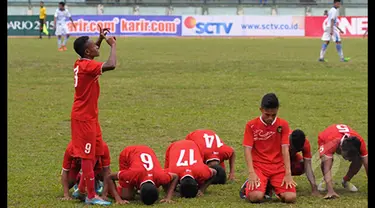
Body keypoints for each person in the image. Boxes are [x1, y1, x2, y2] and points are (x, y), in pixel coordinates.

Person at [69, 26, 116, 205]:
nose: (98, 48)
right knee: (88, 157)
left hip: (90, 116)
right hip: (84, 118)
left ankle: (81, 189)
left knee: (97, 152)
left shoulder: (81, 62)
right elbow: (111, 65)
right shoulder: (88, 65)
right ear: (88, 52)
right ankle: (90, 196)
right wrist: (112, 45)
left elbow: (90, 51)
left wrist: (100, 39)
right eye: (94, 47)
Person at [242, 93, 296, 203]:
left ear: (277, 110)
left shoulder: (283, 125)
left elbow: (285, 149)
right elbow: (247, 149)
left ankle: (270, 186)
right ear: (261, 109)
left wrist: (288, 173)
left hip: (278, 168)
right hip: (259, 167)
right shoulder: (251, 125)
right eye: (267, 114)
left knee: (290, 198)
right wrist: (251, 172)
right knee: (255, 197)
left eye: (274, 115)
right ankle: (249, 185)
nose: (270, 118)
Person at [102, 145, 178, 205]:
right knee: (127, 195)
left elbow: (175, 176)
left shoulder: (161, 177)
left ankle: (132, 189)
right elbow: (109, 177)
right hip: (128, 153)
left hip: (147, 150)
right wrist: (117, 198)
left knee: (136, 192)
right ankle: (104, 188)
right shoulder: (132, 174)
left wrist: (168, 197)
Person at [317, 124, 368, 199]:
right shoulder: (331, 142)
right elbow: (327, 168)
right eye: (347, 156)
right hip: (325, 138)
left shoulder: (360, 142)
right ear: (341, 148)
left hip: (339, 137)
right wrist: (330, 191)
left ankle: (346, 181)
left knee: (359, 159)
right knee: (326, 161)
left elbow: (366, 164)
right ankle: (325, 181)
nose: (348, 159)